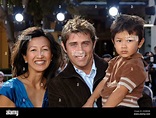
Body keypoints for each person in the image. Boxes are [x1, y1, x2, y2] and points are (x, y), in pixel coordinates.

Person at [83, 14, 147, 107]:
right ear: (113, 42)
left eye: (129, 40)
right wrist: (91, 100)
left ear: (140, 42)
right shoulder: (114, 61)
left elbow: (120, 92)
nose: (123, 45)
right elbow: (104, 82)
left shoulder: (135, 64)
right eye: (119, 41)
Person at [48, 16, 108, 107]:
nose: (80, 50)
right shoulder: (57, 84)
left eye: (85, 43)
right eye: (73, 44)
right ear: (64, 47)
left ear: (94, 44)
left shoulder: (112, 69)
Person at [0, 26, 62, 107]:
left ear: (52, 55)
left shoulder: (57, 89)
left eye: (45, 49)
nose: (40, 55)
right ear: (25, 57)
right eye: (33, 50)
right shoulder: (10, 90)